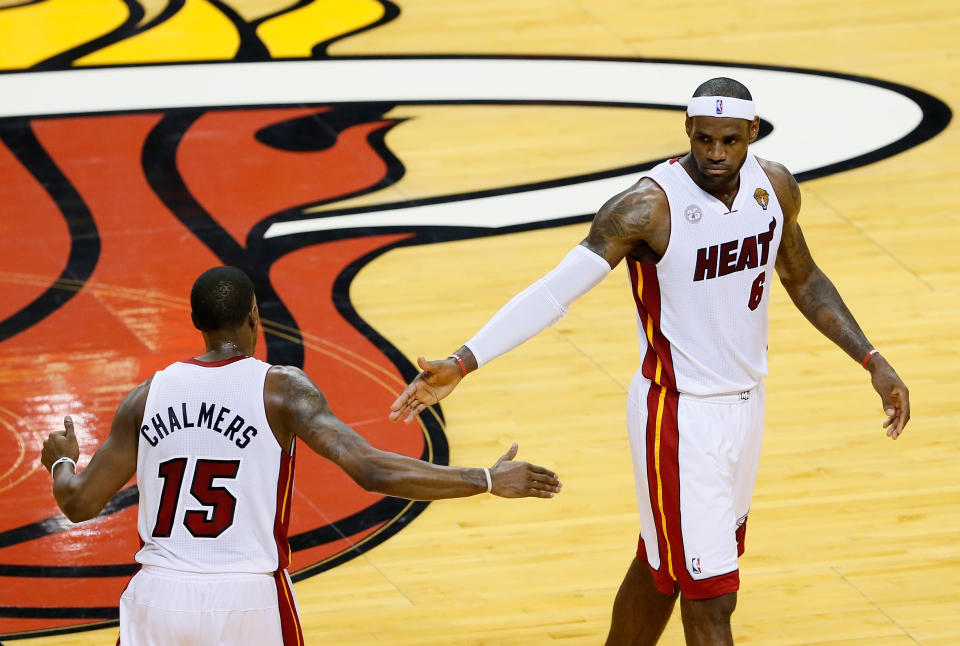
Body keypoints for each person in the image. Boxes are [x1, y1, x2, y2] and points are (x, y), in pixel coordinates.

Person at [388, 77, 910, 645]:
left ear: (753, 133)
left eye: (730, 140)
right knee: (713, 597)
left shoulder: (776, 187)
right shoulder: (646, 208)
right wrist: (464, 362)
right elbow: (553, 291)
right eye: (704, 138)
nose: (714, 153)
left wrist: (872, 359)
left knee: (665, 566)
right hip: (677, 417)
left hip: (747, 403)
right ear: (687, 130)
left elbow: (802, 277)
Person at [40, 266, 562, 646]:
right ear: (253, 317)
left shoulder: (146, 396)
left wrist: (62, 460)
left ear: (195, 320)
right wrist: (487, 480)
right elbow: (371, 469)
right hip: (246, 599)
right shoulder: (281, 390)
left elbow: (81, 503)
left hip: (157, 597)